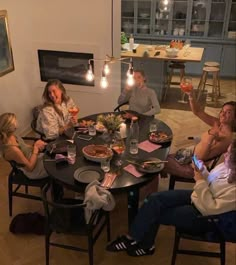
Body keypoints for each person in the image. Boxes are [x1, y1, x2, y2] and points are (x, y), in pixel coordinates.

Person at [106, 137, 236, 257]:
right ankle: (133, 238)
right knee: (154, 199)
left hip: (207, 218)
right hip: (200, 196)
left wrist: (200, 181)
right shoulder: (226, 167)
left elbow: (210, 209)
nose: (225, 155)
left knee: (156, 212)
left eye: (229, 154)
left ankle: (145, 245)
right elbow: (211, 181)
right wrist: (202, 171)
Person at [161, 99, 236, 179]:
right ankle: (163, 172)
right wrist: (191, 95)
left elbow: (201, 157)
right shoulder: (218, 124)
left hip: (193, 168)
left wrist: (209, 138)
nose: (223, 114)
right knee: (161, 157)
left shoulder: (226, 139)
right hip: (189, 156)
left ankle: (154, 186)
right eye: (222, 111)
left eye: (228, 112)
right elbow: (198, 112)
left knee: (158, 163)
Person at [0, 113, 48, 179]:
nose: (17, 122)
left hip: (33, 157)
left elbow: (24, 146)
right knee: (56, 166)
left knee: (56, 155)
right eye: (15, 121)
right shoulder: (13, 150)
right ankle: (55, 186)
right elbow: (30, 168)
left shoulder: (11, 136)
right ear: (11, 127)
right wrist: (35, 150)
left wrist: (35, 146)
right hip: (34, 170)